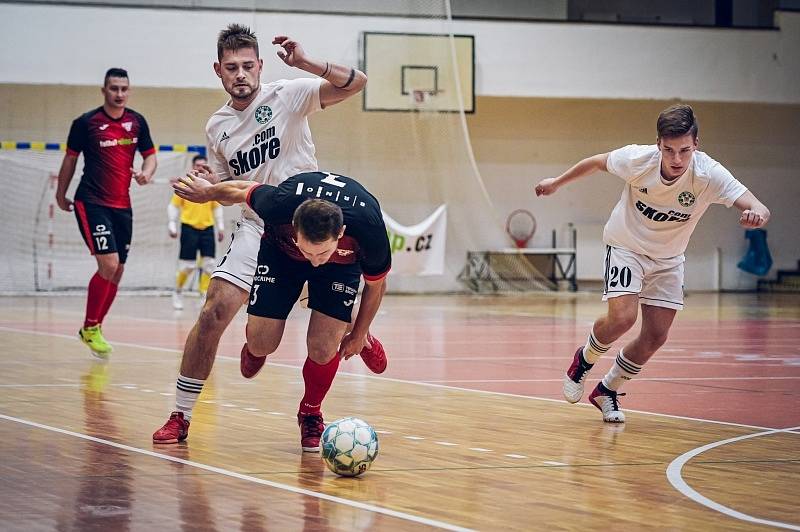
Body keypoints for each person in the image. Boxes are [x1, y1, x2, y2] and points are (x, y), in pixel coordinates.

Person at [152, 24, 381, 446]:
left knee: (324, 336)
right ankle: (180, 416)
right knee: (214, 310)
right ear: (218, 71)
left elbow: (358, 84)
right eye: (231, 67)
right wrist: (207, 193)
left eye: (247, 65)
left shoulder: (288, 94)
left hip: (310, 222)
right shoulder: (217, 126)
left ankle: (346, 333)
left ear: (260, 65)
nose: (240, 74)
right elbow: (227, 193)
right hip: (259, 224)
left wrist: (306, 61)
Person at [535, 104, 770, 423]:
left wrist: (757, 214)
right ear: (658, 144)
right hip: (626, 246)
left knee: (656, 336)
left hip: (669, 259)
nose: (676, 160)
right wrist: (557, 183)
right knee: (622, 319)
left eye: (684, 151)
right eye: (669, 150)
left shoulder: (708, 174)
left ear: (696, 145)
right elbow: (595, 163)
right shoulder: (637, 159)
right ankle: (584, 359)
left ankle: (608, 390)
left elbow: (757, 204)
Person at [172, 170, 390, 451]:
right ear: (294, 225)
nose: (314, 262)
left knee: (324, 347)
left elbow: (376, 286)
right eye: (308, 251)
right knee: (263, 343)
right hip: (281, 254)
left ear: (341, 232)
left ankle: (310, 413)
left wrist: (359, 334)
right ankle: (254, 347)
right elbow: (242, 189)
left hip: (340, 267)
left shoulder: (368, 226)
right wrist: (208, 192)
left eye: (321, 252)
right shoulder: (280, 202)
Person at [55, 67, 157, 358]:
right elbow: (69, 160)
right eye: (114, 89)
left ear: (129, 90)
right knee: (109, 265)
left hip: (122, 206)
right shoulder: (86, 123)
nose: (119, 94)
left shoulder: (137, 122)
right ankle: (89, 327)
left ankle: (95, 326)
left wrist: (146, 175)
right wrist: (60, 193)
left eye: (124, 89)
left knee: (118, 270)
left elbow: (150, 157)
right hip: (92, 202)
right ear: (104, 90)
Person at [168, 154, 225, 310]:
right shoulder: (185, 184)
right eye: (197, 165)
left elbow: (217, 207)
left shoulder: (210, 186)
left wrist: (220, 227)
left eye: (202, 165)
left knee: (209, 265)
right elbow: (174, 205)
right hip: (189, 228)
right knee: (188, 266)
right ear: (192, 167)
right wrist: (172, 225)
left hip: (207, 228)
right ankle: (178, 292)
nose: (200, 168)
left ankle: (203, 295)